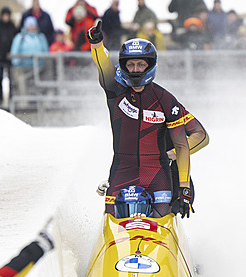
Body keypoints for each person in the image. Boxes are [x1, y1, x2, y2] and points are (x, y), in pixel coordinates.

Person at [87, 21, 209, 218]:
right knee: (112, 220)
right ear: (124, 66)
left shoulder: (165, 99)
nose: (136, 69)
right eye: (131, 64)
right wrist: (97, 44)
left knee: (161, 220)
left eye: (141, 64)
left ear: (150, 65)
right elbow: (103, 65)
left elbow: (186, 142)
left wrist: (184, 186)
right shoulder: (115, 90)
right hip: (122, 173)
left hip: (157, 177)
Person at [10, 17, 49, 100]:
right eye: (29, 25)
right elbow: (15, 51)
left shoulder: (40, 37)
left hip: (39, 68)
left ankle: (39, 103)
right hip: (23, 68)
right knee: (23, 85)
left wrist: (43, 61)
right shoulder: (20, 37)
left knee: (38, 87)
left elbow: (45, 51)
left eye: (33, 25)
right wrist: (16, 62)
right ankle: (24, 103)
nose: (31, 27)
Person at [0, 7, 18, 104]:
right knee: (0, 78)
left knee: (11, 78)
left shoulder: (12, 27)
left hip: (10, 57)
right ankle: (0, 97)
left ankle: (11, 98)